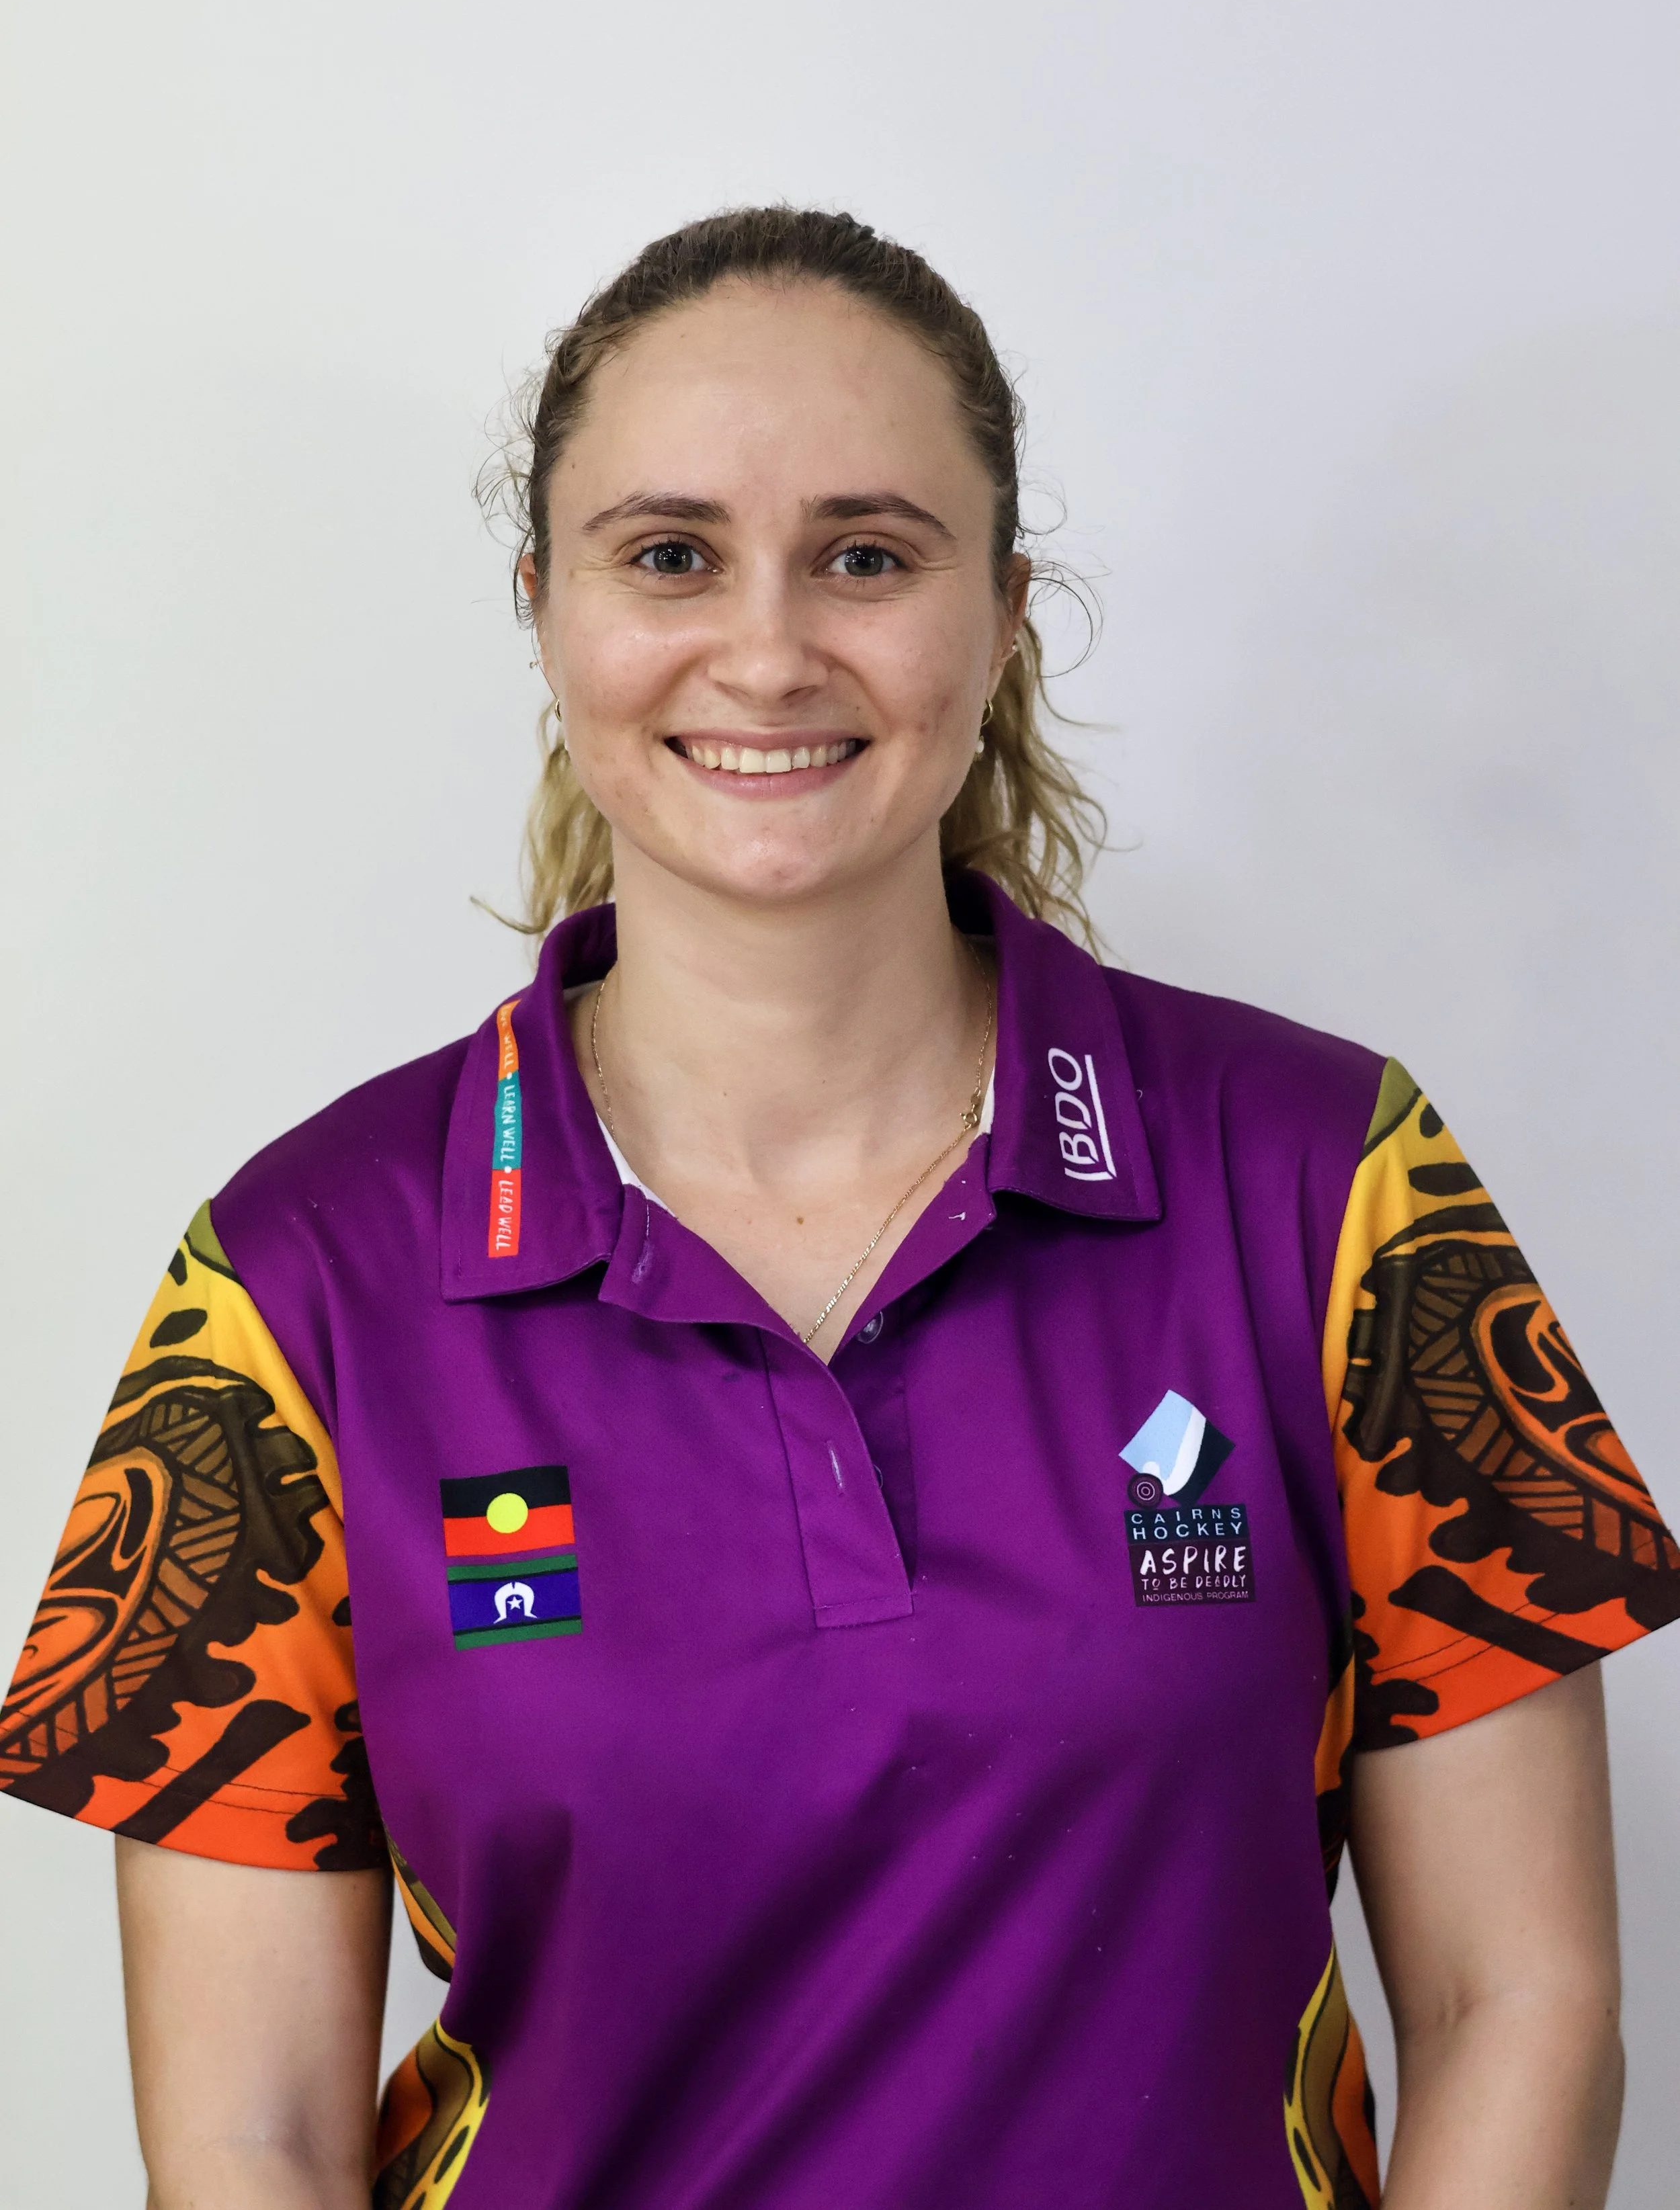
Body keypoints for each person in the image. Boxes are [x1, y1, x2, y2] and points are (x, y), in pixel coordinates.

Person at [3, 208, 1676, 2210]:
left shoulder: (1338, 1188)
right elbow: (246, 2138)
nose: (772, 646)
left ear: (1003, 614)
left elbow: (1521, 1998)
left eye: (867, 555)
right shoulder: (290, 1287)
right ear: (545, 609)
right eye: (670, 553)